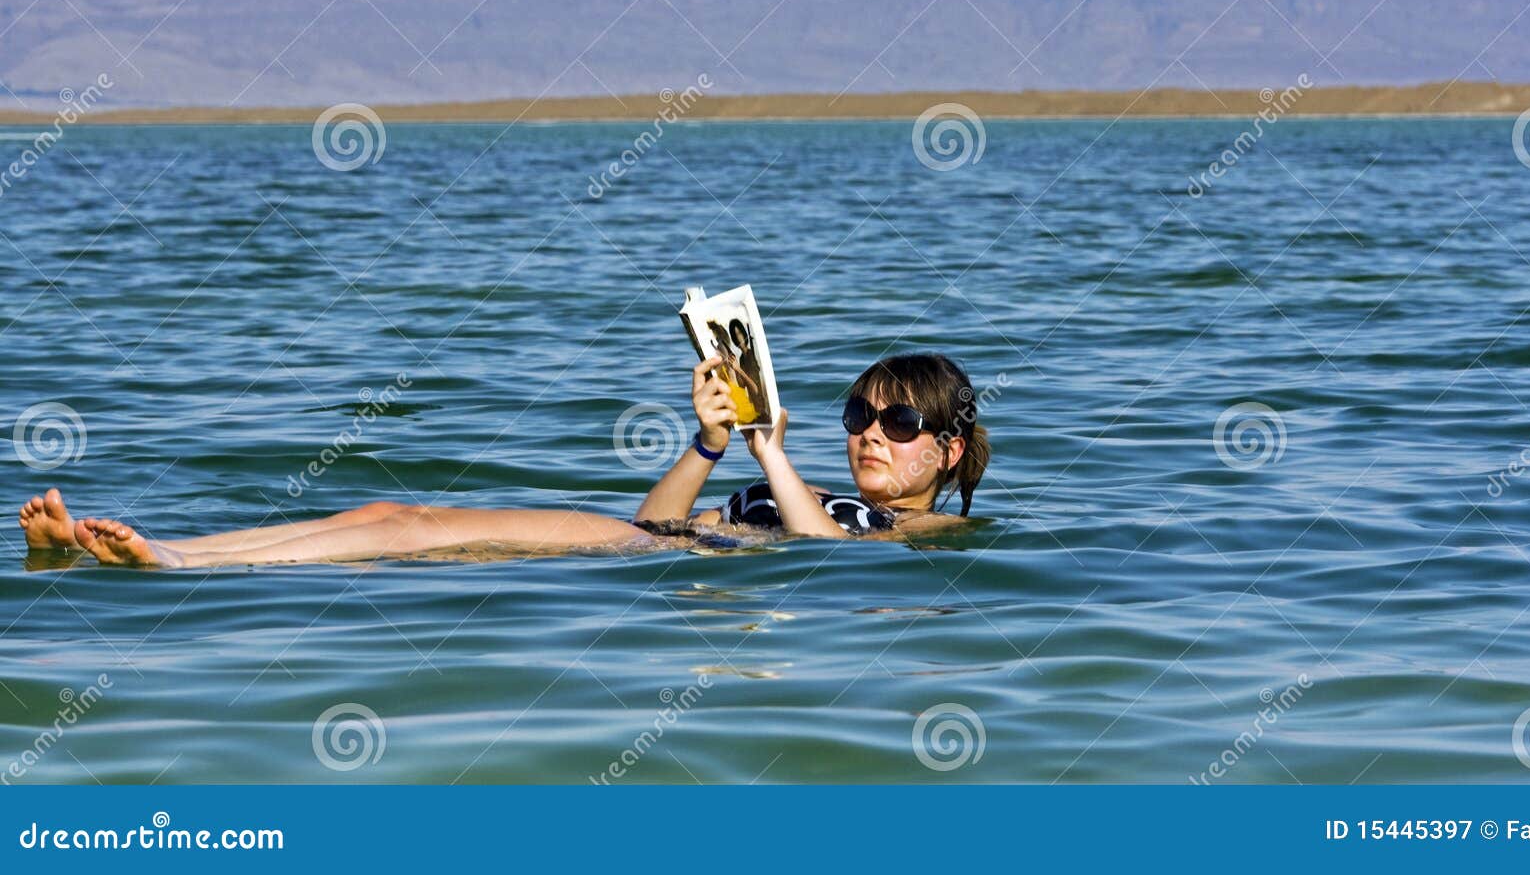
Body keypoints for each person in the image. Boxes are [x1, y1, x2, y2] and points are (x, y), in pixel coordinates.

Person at [16, 352, 990, 567]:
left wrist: (773, 458)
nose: (869, 431)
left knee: (405, 529)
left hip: (658, 563)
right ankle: (169, 549)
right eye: (860, 412)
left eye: (898, 423)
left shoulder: (934, 527)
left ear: (944, 450)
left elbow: (822, 554)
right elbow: (657, 517)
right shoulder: (803, 483)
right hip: (646, 546)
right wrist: (711, 443)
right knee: (377, 517)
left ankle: (173, 560)